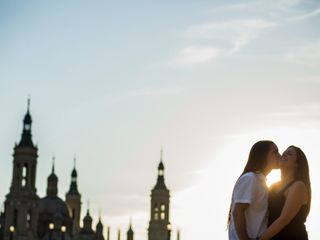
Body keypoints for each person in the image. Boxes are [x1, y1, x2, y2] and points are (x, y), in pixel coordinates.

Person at [228, 140, 280, 240]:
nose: (279, 155)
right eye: (275, 152)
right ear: (263, 155)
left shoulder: (261, 182)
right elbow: (238, 212)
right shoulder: (250, 178)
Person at [260, 146, 311, 240]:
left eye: (289, 153)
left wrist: (260, 239)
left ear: (297, 164)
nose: (284, 154)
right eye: (284, 153)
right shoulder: (273, 186)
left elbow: (284, 219)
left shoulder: (298, 185)